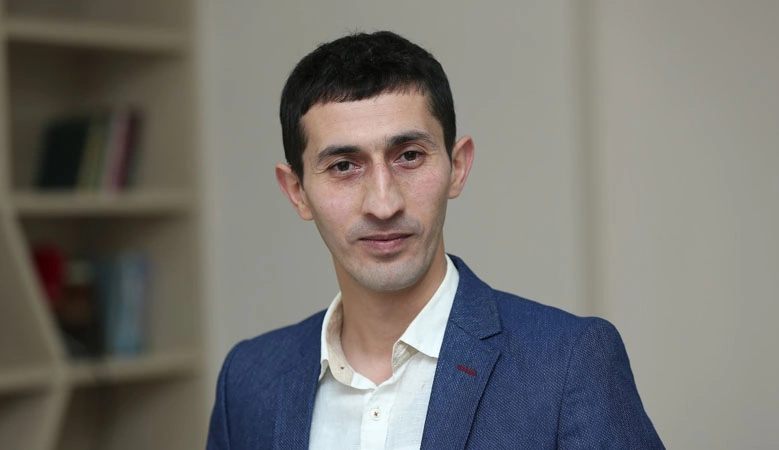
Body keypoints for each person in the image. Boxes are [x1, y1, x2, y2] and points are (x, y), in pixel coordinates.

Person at [207, 30, 664, 450]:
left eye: (409, 156)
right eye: (344, 166)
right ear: (297, 192)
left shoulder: (568, 363)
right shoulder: (248, 381)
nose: (383, 204)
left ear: (457, 167)